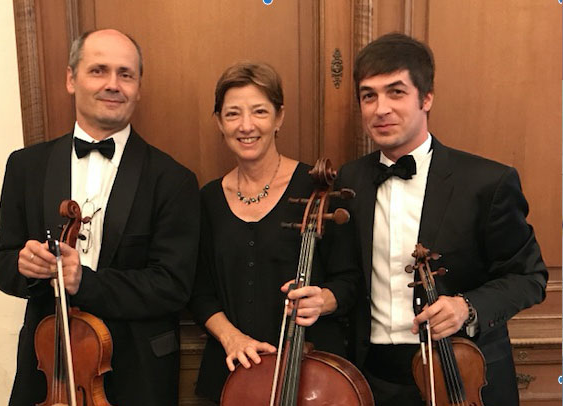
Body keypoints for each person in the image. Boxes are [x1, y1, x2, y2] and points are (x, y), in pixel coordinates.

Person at [0, 29, 199, 406]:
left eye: (126, 74)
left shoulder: (173, 179)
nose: (113, 85)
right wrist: (25, 267)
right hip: (47, 371)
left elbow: (172, 285)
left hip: (137, 373)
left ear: (139, 87)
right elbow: (1, 265)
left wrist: (83, 281)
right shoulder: (26, 166)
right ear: (71, 79)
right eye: (98, 70)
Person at [337, 33, 548, 406]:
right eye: (369, 95)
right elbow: (348, 277)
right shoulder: (349, 181)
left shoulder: (488, 182)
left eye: (396, 92)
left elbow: (529, 277)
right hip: (373, 377)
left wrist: (466, 307)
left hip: (462, 375)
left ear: (427, 97)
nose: (380, 108)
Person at [188, 61, 359, 402]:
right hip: (230, 374)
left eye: (260, 112)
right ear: (219, 122)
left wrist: (323, 300)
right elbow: (198, 290)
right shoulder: (206, 198)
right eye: (233, 114)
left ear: (279, 118)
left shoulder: (319, 189)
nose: (246, 126)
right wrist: (232, 339)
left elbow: (352, 281)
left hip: (309, 376)